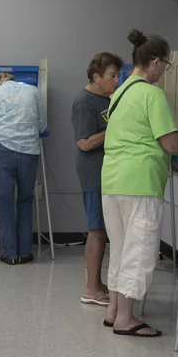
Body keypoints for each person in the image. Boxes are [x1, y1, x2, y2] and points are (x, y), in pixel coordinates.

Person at [101, 29, 178, 337]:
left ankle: (114, 311)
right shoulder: (152, 94)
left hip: (112, 181)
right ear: (155, 62)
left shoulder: (121, 91)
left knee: (120, 248)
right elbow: (171, 144)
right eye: (165, 65)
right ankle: (127, 318)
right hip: (140, 181)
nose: (164, 72)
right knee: (139, 249)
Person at [0, 72, 48, 265]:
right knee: (26, 201)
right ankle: (25, 253)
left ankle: (10, 255)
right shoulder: (33, 90)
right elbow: (42, 126)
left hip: (4, 152)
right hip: (29, 153)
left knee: (5, 203)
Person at [71, 52, 122, 305]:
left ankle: (97, 283)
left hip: (107, 171)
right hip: (93, 172)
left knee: (102, 229)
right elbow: (84, 142)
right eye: (112, 76)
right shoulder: (84, 102)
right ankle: (91, 289)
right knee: (97, 230)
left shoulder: (107, 98)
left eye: (118, 75)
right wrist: (115, 127)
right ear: (96, 77)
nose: (117, 80)